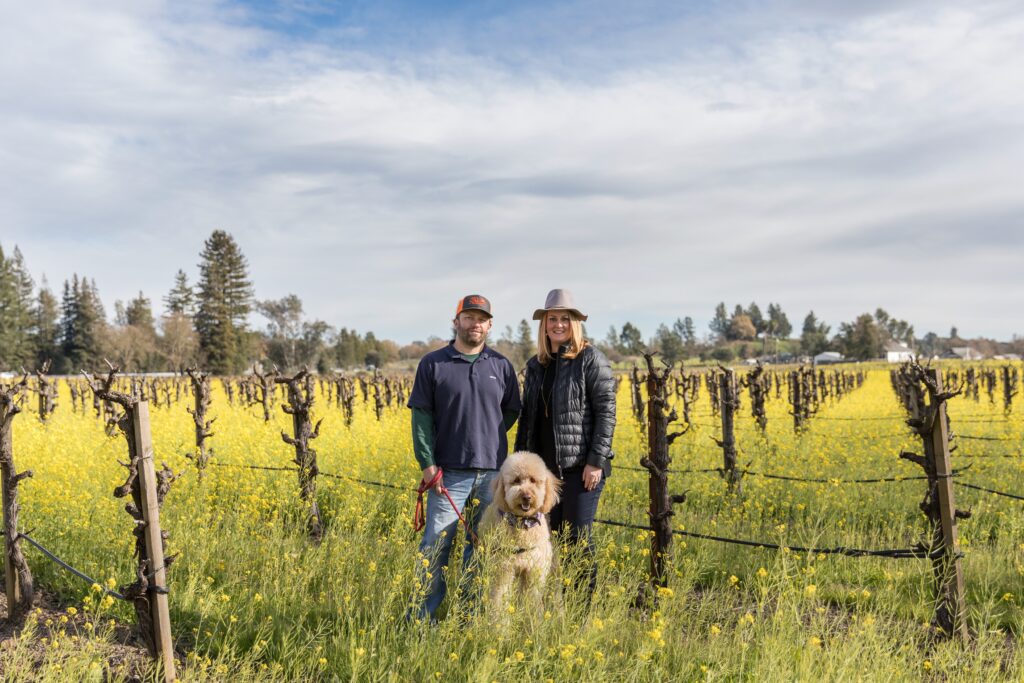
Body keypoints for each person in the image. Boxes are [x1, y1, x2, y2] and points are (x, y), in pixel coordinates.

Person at [408, 294, 522, 621]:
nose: (475, 323)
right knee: (435, 548)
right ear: (456, 321)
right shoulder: (433, 363)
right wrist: (428, 465)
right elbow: (421, 418)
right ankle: (420, 621)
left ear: (489, 325)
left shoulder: (500, 366)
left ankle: (468, 618)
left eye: (481, 318)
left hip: (492, 477)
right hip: (448, 475)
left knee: (482, 548)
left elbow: (510, 412)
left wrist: (485, 436)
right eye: (468, 317)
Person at [514, 288, 616, 605]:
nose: (558, 324)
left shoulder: (590, 359)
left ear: (574, 323)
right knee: (551, 540)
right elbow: (527, 420)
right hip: (544, 475)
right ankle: (555, 607)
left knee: (578, 540)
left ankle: (578, 613)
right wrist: (519, 467)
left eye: (564, 319)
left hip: (580, 470)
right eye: (552, 319)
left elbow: (606, 412)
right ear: (544, 325)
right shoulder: (536, 366)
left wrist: (596, 461)